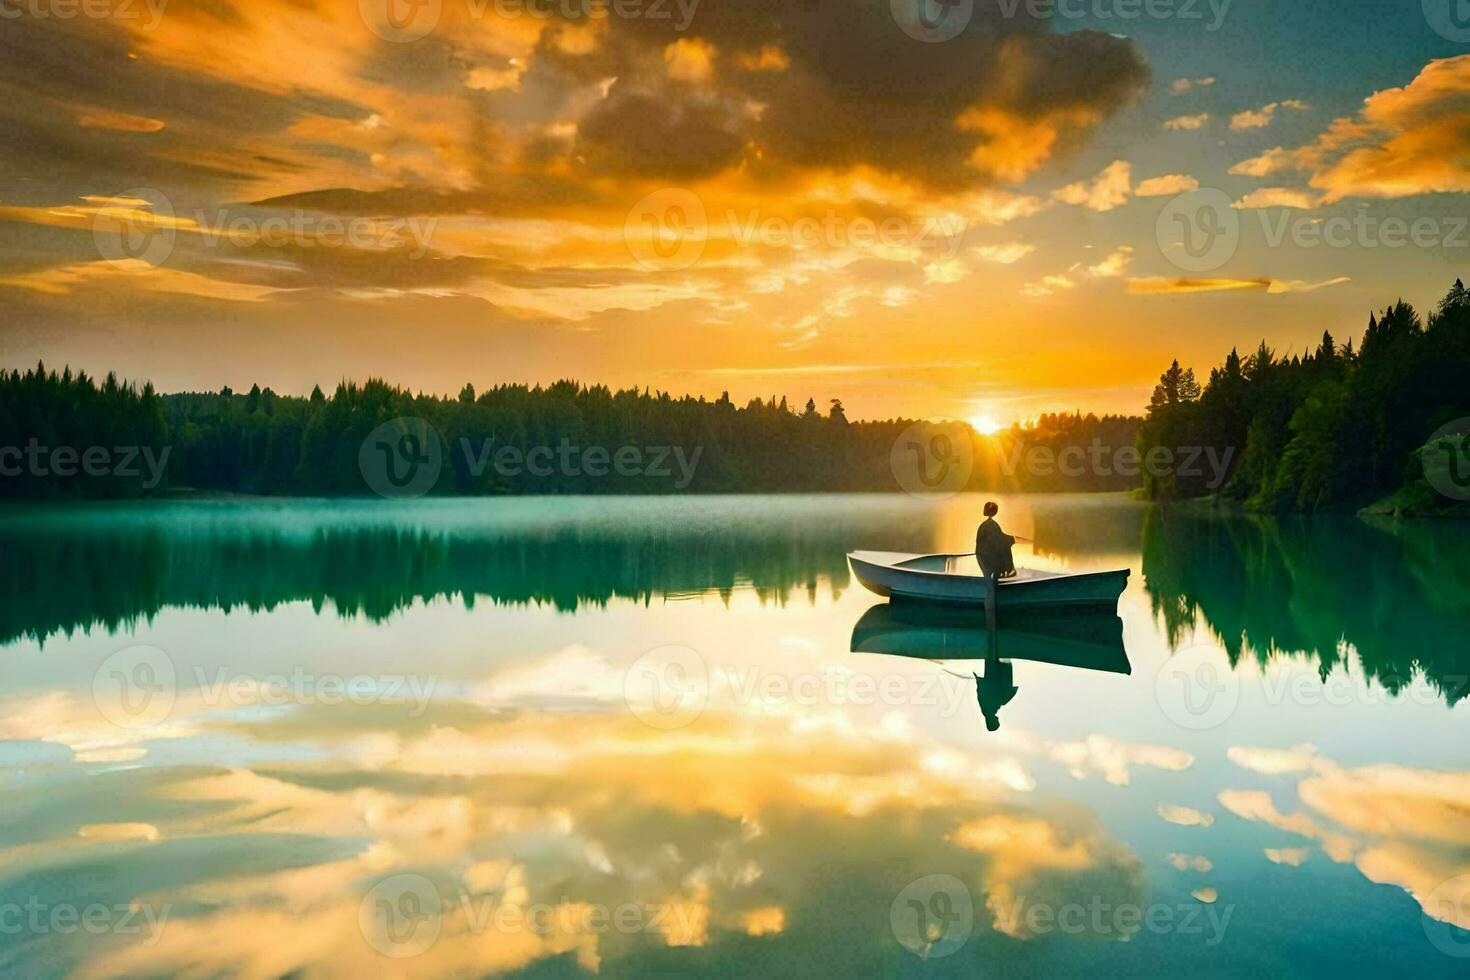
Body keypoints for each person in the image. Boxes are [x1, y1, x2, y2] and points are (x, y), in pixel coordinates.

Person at [974, 501, 1016, 579]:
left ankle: (1001, 573)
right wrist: (1011, 540)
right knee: (1005, 546)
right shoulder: (991, 525)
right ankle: (1009, 570)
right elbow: (998, 540)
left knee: (1003, 545)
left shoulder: (984, 525)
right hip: (987, 556)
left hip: (981, 555)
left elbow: (996, 538)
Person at [973, 660, 1017, 732]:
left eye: (996, 722)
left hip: (995, 675)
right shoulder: (989, 710)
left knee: (994, 656)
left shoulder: (988, 709)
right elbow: (981, 695)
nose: (998, 719)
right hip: (994, 674)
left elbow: (981, 695)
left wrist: (979, 682)